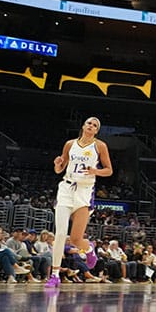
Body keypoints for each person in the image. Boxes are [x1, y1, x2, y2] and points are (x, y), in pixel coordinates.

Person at [46, 116, 113, 288]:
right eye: (89, 123)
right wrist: (57, 165)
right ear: (83, 126)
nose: (91, 126)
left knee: (75, 239)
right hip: (66, 189)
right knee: (60, 233)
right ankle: (54, 275)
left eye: (95, 125)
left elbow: (109, 170)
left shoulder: (100, 146)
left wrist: (95, 171)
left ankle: (89, 249)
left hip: (84, 191)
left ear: (97, 131)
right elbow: (60, 168)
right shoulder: (70, 144)